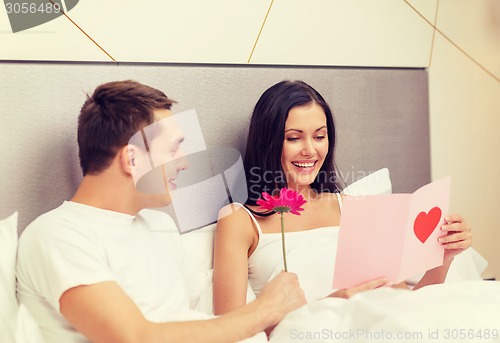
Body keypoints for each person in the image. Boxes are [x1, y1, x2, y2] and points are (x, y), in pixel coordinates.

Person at [16, 80, 306, 343]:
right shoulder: (58, 235)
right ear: (131, 159)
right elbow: (135, 338)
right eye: (172, 150)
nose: (184, 163)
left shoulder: (158, 225)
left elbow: (180, 323)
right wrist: (265, 309)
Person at [213, 80, 472, 318]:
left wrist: (445, 257)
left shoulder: (352, 208)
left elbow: (406, 304)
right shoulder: (239, 220)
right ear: (267, 142)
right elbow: (230, 327)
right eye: (294, 138)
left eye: (319, 136)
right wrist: (331, 304)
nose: (310, 150)